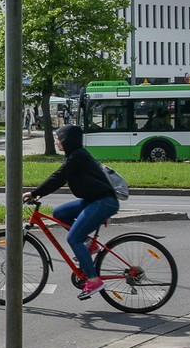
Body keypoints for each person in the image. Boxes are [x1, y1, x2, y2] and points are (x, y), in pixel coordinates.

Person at [23, 125, 120, 300]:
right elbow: (60, 178)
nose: (56, 141)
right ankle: (90, 244)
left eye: (58, 138)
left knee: (73, 238)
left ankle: (93, 280)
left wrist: (35, 193)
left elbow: (58, 177)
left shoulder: (77, 156)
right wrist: (38, 193)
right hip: (93, 200)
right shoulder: (75, 156)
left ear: (67, 140)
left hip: (102, 202)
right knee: (59, 213)